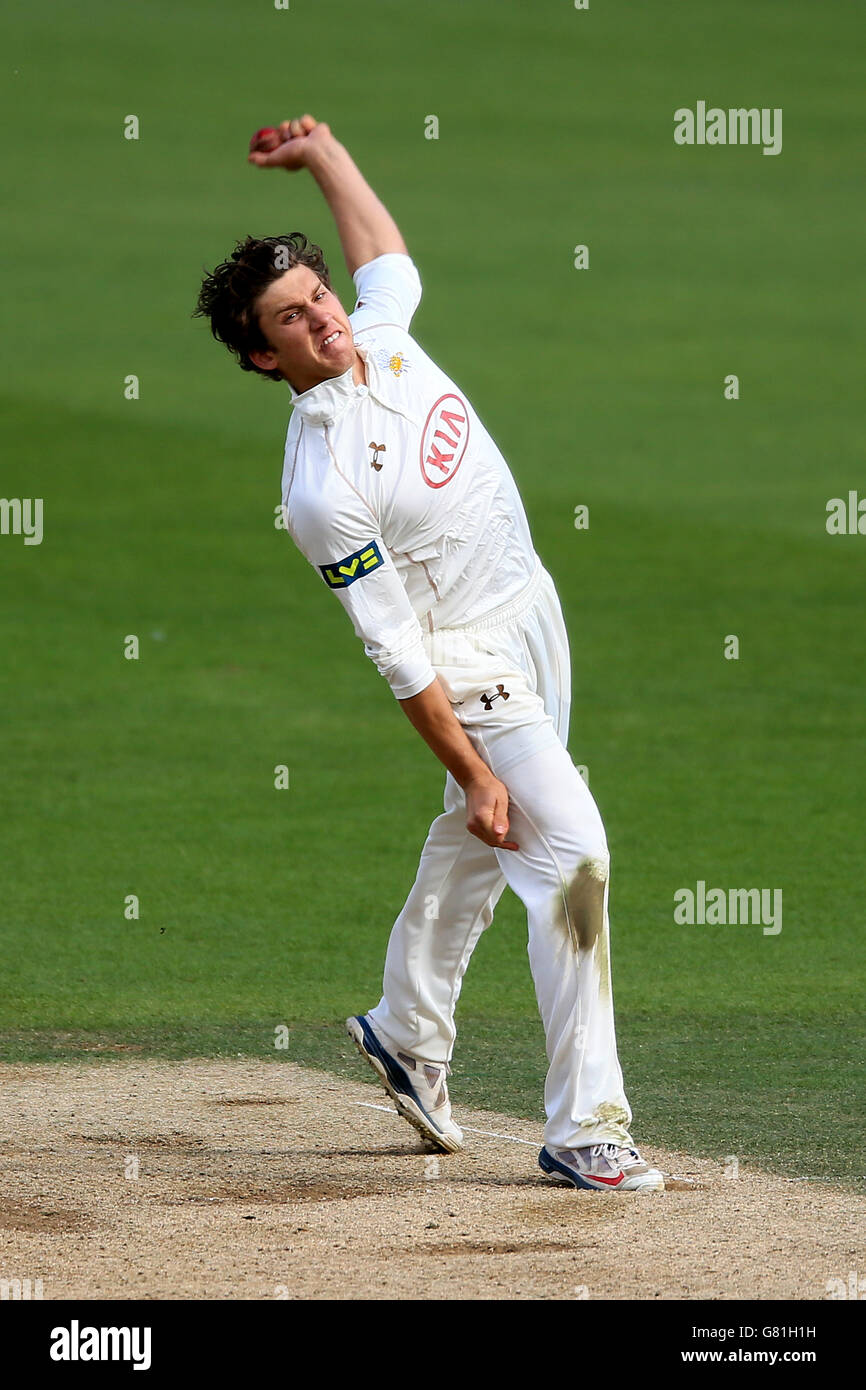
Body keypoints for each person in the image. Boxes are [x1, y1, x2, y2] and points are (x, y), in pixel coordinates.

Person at [195, 114, 664, 1192]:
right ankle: (585, 1125)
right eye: (290, 320)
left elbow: (384, 258)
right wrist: (468, 762)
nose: (321, 318)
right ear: (263, 355)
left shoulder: (380, 332)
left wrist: (323, 157)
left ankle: (407, 1028)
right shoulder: (320, 490)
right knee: (569, 858)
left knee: (485, 837)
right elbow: (396, 654)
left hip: (531, 609)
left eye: (316, 296)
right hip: (464, 659)